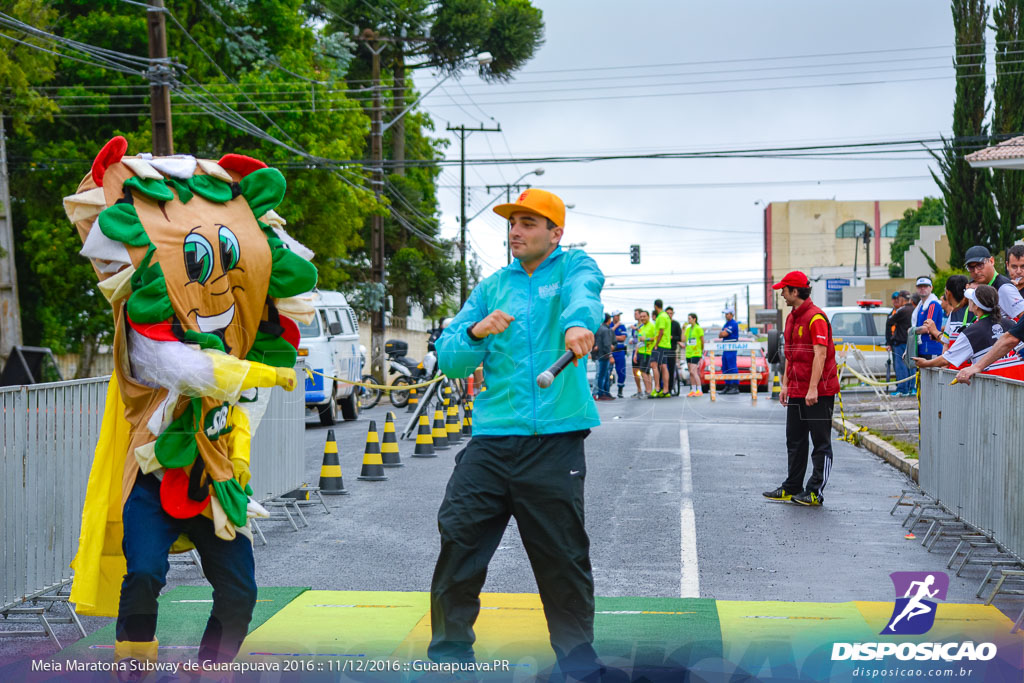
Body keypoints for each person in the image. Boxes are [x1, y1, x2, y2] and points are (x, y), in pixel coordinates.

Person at [430, 188, 611, 680]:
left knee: (562, 558)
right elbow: (449, 358)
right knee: (458, 539)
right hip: (492, 439)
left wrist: (577, 325)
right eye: (513, 223)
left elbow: (586, 295)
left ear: (556, 232)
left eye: (529, 223)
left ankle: (578, 662)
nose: (516, 231)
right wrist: (474, 334)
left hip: (554, 441)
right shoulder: (491, 288)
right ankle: (449, 654)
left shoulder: (574, 267)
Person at [762, 271, 839, 507]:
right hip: (796, 389)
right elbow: (791, 356)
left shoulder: (816, 318)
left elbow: (821, 354)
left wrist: (813, 388)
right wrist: (785, 385)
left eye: (784, 290)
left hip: (818, 392)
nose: (782, 294)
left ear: (795, 291)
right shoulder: (792, 318)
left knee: (820, 442)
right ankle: (792, 486)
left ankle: (815, 491)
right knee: (794, 440)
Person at [913, 286, 1013, 372]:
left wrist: (925, 363)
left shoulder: (971, 332)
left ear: (976, 306)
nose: (968, 302)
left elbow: (946, 359)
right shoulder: (1011, 323)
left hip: (991, 389)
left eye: (971, 300)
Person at [964, 245, 1024, 320]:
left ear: (992, 261)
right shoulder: (977, 287)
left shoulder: (1004, 288)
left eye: (980, 265)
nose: (976, 271)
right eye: (971, 267)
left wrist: (1011, 332)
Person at [921, 275, 973, 352]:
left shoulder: (954, 314)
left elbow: (948, 343)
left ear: (948, 293)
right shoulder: (974, 310)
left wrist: (934, 331)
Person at [885, 291, 914, 396]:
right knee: (911, 366)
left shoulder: (901, 310)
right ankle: (912, 388)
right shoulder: (915, 309)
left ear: (902, 299)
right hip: (911, 342)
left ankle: (902, 389)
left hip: (900, 342)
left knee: (901, 366)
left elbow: (889, 322)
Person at [911, 276, 944, 360]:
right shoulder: (920, 306)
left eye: (925, 286)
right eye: (920, 286)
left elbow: (927, 328)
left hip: (931, 348)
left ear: (931, 288)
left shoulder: (933, 304)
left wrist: (911, 331)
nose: (922, 288)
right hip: (922, 348)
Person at [650, 299, 672, 397]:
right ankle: (665, 390)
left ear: (655, 306)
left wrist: (656, 344)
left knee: (654, 364)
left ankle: (658, 388)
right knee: (663, 365)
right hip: (666, 344)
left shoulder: (661, 317)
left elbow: (661, 331)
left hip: (661, 344)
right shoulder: (666, 316)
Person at [593, 313, 615, 400]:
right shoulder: (606, 330)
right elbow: (607, 344)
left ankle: (604, 393)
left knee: (603, 375)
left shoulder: (598, 329)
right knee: (603, 376)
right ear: (609, 320)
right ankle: (602, 393)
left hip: (599, 355)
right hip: (604, 356)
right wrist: (610, 356)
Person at [719, 306, 740, 395]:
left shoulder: (733, 323)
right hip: (725, 348)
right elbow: (720, 335)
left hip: (731, 347)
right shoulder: (726, 324)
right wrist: (722, 334)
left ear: (731, 314)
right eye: (725, 314)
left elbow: (724, 333)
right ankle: (727, 385)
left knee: (732, 366)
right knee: (725, 367)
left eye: (727, 314)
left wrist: (723, 334)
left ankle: (734, 386)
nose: (726, 315)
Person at [683, 312, 704, 396]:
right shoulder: (688, 329)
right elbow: (683, 339)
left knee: (694, 371)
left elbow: (702, 340)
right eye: (688, 319)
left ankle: (699, 390)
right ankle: (693, 390)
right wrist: (683, 329)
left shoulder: (698, 328)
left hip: (696, 352)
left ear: (694, 319)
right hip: (688, 353)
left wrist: (701, 350)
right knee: (690, 372)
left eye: (690, 318)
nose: (688, 320)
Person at [635, 309, 655, 398]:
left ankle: (648, 390)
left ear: (648, 317)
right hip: (641, 352)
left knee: (644, 372)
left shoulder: (652, 326)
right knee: (645, 372)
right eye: (641, 316)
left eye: (644, 316)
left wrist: (646, 339)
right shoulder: (641, 328)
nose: (642, 318)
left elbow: (656, 337)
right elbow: (639, 342)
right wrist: (636, 354)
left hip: (649, 352)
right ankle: (649, 390)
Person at [610, 310, 628, 398]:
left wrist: (613, 336)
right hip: (611, 351)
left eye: (619, 315)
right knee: (608, 371)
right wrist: (614, 332)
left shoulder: (622, 326)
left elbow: (623, 338)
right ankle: (606, 390)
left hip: (620, 351)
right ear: (613, 317)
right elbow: (607, 335)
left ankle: (620, 390)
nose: (618, 317)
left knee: (621, 371)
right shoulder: (609, 325)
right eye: (617, 315)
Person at [666, 306, 682, 396]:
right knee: (663, 369)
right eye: (667, 313)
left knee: (671, 369)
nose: (669, 315)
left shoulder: (676, 324)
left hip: (672, 349)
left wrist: (673, 337)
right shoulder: (663, 323)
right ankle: (663, 387)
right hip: (663, 348)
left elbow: (679, 337)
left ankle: (670, 388)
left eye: (670, 313)